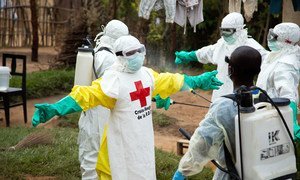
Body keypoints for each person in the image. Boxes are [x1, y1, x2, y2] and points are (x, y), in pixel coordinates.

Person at [32, 35, 223, 180]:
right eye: (131, 53)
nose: (138, 55)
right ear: (119, 56)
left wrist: (197, 80)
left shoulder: (146, 75)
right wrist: (56, 108)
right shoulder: (113, 80)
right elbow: (86, 95)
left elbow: (169, 81)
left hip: (143, 144)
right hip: (120, 145)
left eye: (140, 50)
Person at [172, 46, 262, 180]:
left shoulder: (224, 106)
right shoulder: (267, 99)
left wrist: (183, 171)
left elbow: (202, 143)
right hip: (265, 171)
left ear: (230, 69)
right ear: (258, 71)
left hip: (233, 174)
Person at [174, 12, 267, 102]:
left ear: (239, 30)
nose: (224, 35)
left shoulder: (252, 47)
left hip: (242, 95)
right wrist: (189, 56)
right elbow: (208, 52)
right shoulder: (222, 44)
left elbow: (269, 63)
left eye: (228, 31)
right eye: (223, 30)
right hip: (220, 92)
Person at [77, 20, 129, 180]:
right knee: (92, 161)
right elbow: (115, 85)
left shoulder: (103, 51)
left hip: (98, 114)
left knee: (101, 159)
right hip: (97, 117)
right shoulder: (106, 58)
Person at [256, 22, 300, 141]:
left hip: (275, 115)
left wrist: (291, 123)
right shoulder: (277, 55)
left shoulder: (285, 65)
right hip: (264, 110)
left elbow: (288, 95)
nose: (270, 39)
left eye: (274, 37)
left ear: (286, 41)